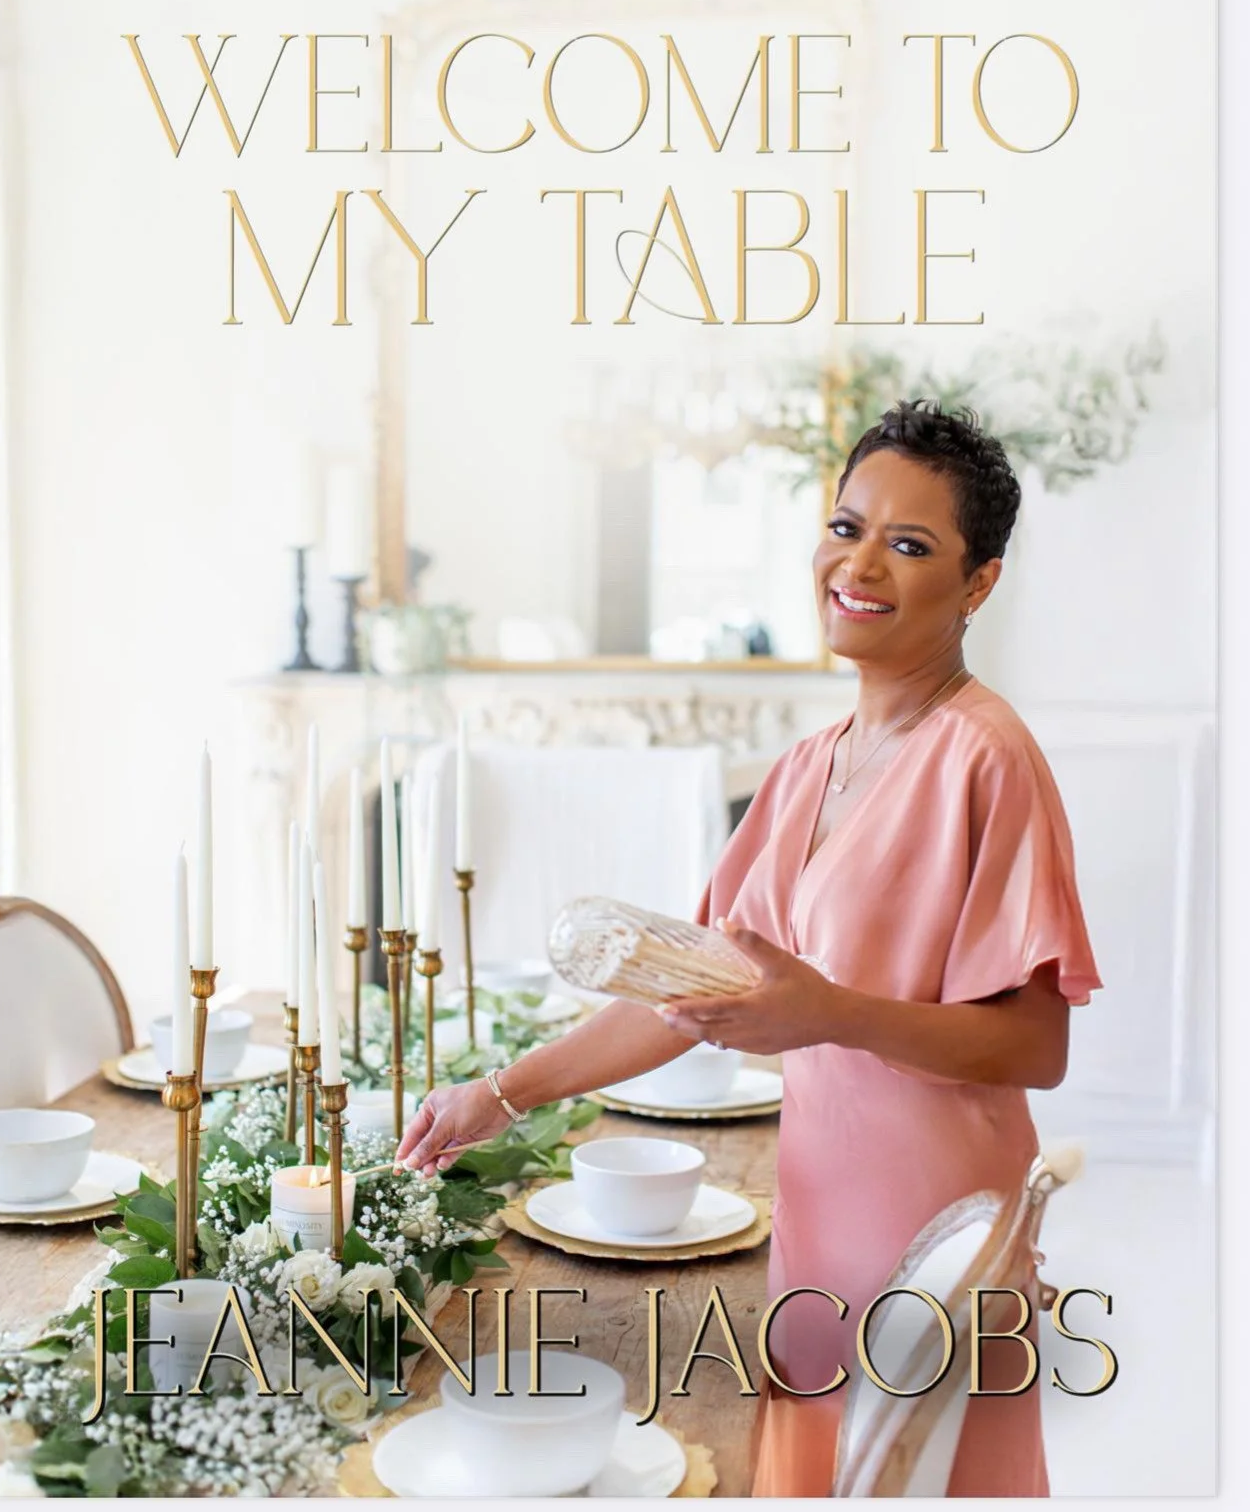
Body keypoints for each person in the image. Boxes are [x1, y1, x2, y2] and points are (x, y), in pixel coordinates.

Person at [396, 400, 1102, 1497]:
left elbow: (1037, 1042)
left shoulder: (989, 757)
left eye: (909, 544)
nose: (859, 562)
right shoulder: (807, 764)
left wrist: (828, 1013)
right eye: (846, 523)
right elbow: (690, 995)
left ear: (978, 583)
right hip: (821, 1213)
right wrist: (502, 1090)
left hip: (942, 1229)